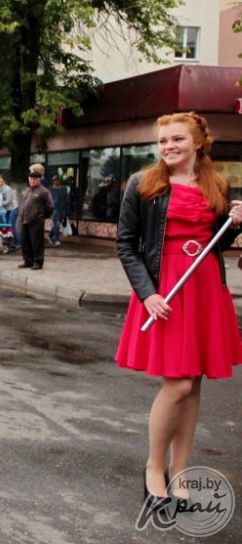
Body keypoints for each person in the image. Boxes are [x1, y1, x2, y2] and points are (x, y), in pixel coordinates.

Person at [114, 111, 242, 516]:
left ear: (198, 143)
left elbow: (216, 242)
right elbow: (126, 244)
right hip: (165, 289)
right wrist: (147, 293)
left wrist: (236, 225)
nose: (168, 146)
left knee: (195, 384)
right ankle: (154, 466)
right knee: (180, 385)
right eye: (163, 140)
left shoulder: (216, 184)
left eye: (177, 140)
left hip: (204, 287)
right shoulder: (143, 183)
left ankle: (181, 472)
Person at [17, 164, 54, 270]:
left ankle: (38, 262)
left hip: (36, 221)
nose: (32, 181)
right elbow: (23, 203)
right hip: (24, 220)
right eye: (31, 179)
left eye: (34, 179)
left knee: (36, 242)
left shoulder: (44, 191)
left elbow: (50, 206)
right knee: (25, 241)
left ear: (39, 180)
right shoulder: (27, 190)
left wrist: (41, 216)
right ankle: (28, 260)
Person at [48, 175, 69, 246]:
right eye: (55, 180)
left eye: (58, 180)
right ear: (53, 181)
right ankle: (57, 239)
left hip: (62, 209)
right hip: (54, 210)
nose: (57, 181)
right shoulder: (50, 189)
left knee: (57, 224)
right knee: (56, 223)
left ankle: (50, 236)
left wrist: (66, 209)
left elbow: (66, 199)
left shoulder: (64, 189)